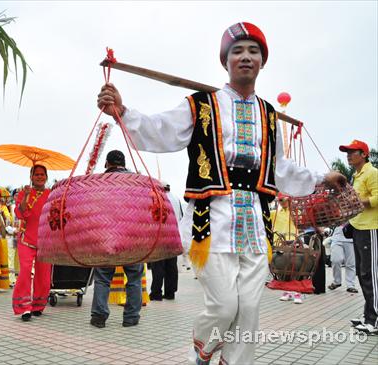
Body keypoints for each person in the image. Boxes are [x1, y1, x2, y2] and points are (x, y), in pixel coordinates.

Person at [97, 23, 345, 364]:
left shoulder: (270, 115)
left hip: (257, 227)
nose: (245, 57)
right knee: (225, 306)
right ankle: (200, 352)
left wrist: (323, 177)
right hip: (210, 225)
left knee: (249, 312)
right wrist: (122, 113)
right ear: (225, 61)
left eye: (253, 51)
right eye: (237, 51)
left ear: (262, 61)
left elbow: (281, 169)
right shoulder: (201, 105)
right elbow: (160, 130)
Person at [90, 150, 144, 328]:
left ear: (106, 163)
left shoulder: (98, 182)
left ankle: (99, 317)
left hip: (106, 236)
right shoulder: (137, 181)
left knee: (103, 278)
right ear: (124, 163)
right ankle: (131, 317)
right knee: (134, 278)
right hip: (132, 237)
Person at [339, 140, 378, 335]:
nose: (348, 155)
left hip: (371, 228)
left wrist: (358, 202)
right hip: (358, 227)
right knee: (363, 275)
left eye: (352, 152)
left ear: (363, 154)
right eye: (347, 152)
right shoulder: (357, 175)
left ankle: (375, 320)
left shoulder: (372, 173)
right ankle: (368, 315)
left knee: (371, 275)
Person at [12, 165, 52, 321]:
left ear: (46, 177)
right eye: (36, 174)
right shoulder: (24, 192)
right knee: (25, 272)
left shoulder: (51, 194)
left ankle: (38, 305)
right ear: (31, 176)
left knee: (43, 275)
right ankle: (24, 308)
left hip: (45, 240)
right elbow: (21, 214)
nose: (40, 177)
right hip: (26, 239)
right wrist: (27, 196)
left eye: (42, 174)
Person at [150, 183, 182, 301]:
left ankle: (156, 293)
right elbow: (180, 217)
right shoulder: (176, 198)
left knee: (158, 265)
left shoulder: (159, 198)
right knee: (171, 266)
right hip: (174, 235)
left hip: (162, 235)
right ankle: (170, 292)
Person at [328, 225, 357, 293]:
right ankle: (337, 282)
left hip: (351, 238)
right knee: (336, 260)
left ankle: (350, 285)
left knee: (350, 264)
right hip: (337, 238)